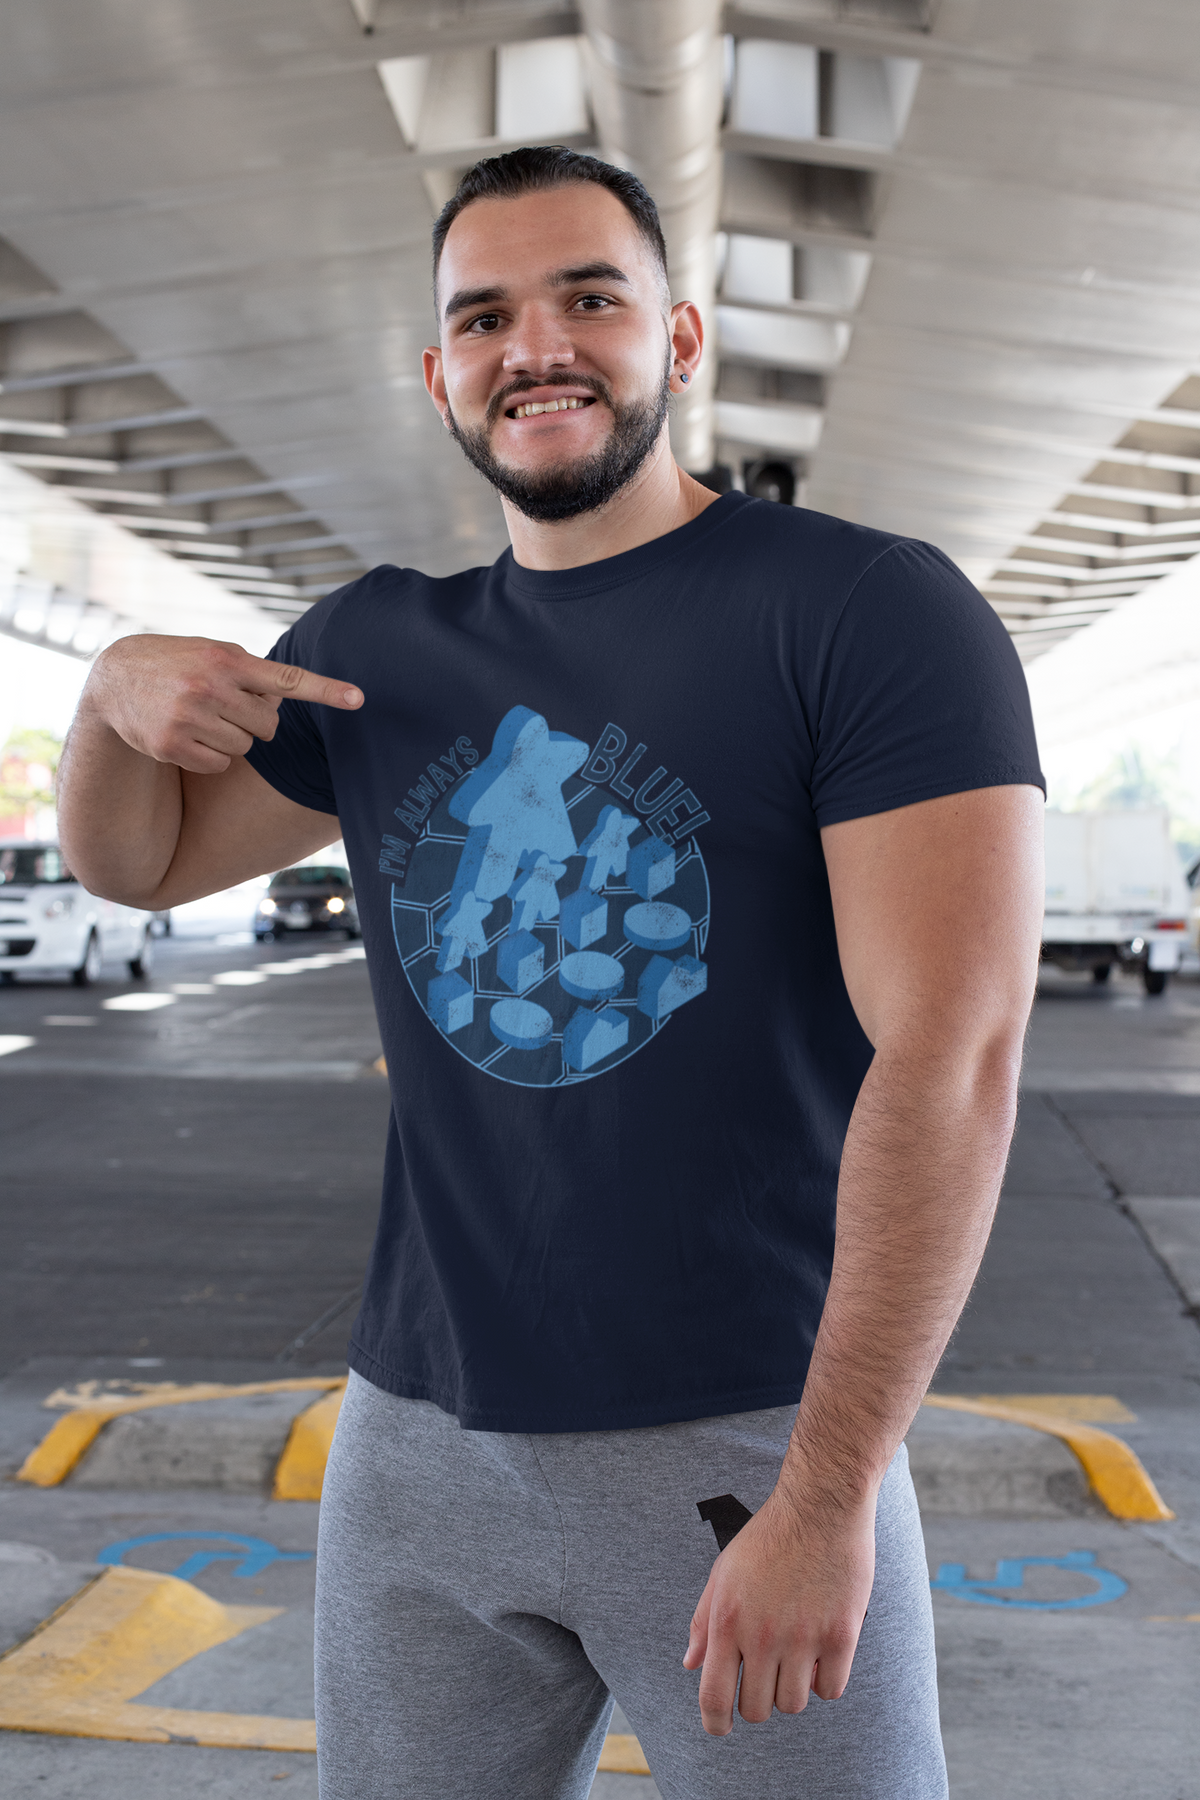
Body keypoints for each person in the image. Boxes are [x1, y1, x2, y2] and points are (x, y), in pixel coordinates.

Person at [58, 147, 1045, 1799]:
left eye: (592, 296)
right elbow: (137, 861)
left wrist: (827, 1498)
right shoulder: (380, 649)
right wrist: (104, 691)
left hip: (746, 1439)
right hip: (417, 1439)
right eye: (488, 315)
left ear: (683, 336)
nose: (540, 344)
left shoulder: (865, 613)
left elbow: (954, 1055)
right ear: (440, 373)